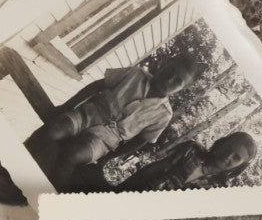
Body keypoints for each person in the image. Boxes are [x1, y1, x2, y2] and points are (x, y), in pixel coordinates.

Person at [26, 54, 201, 190]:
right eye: (170, 71)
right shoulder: (135, 74)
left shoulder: (163, 115)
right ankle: (17, 165)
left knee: (72, 155)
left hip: (106, 139)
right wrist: (67, 106)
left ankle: (54, 198)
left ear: (181, 89)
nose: (169, 79)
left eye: (177, 81)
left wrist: (106, 159)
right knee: (52, 130)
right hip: (88, 114)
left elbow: (141, 141)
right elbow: (97, 86)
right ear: (163, 63)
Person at [112, 131, 259, 192]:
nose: (228, 157)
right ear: (222, 143)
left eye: (236, 158)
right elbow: (153, 170)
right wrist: (120, 191)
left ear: (240, 166)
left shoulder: (221, 189)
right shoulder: (192, 150)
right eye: (229, 148)